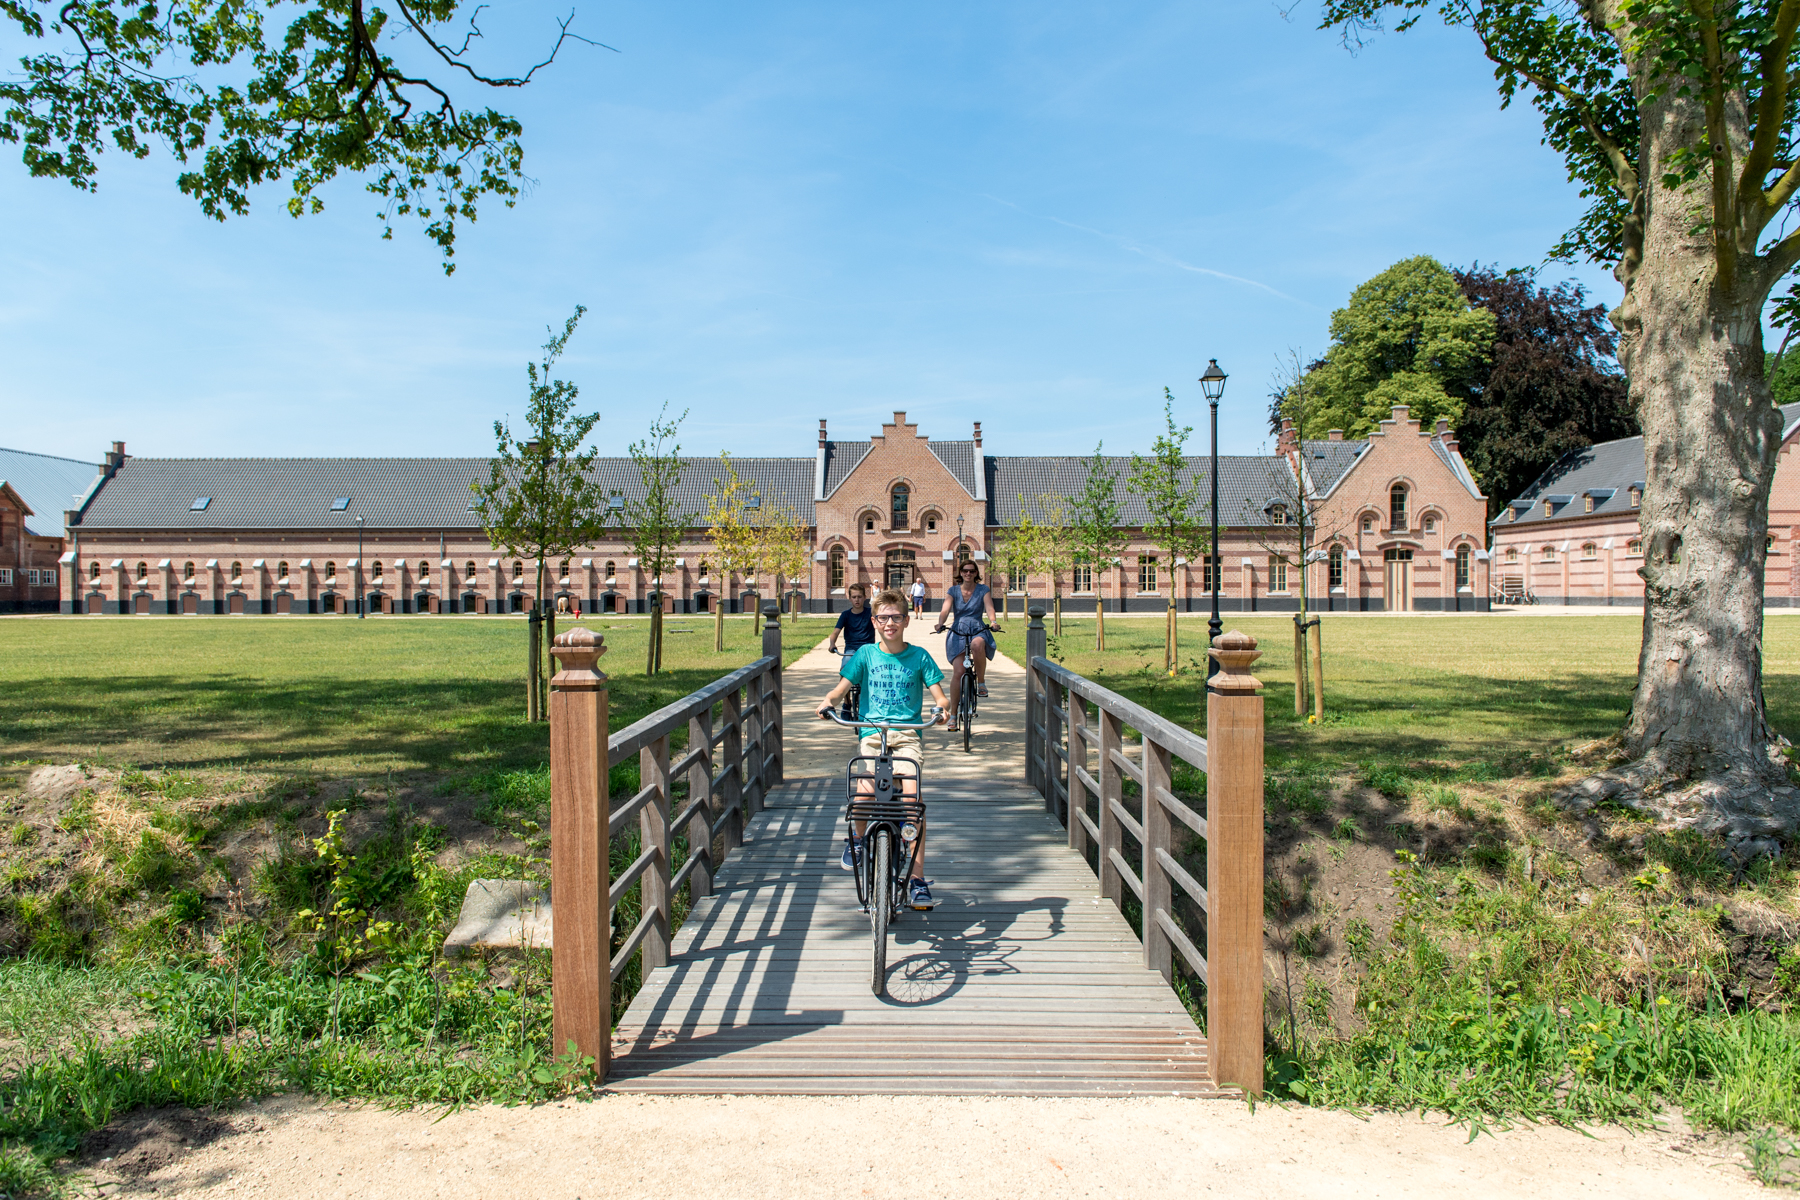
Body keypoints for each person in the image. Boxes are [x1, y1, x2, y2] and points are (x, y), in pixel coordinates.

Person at [815, 588, 949, 909]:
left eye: (897, 617)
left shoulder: (919, 657)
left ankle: (917, 878)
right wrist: (828, 701)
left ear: (906, 620)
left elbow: (938, 693)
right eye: (884, 617)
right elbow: (841, 688)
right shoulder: (865, 656)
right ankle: (859, 840)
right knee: (863, 792)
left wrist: (943, 706)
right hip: (873, 735)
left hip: (907, 735)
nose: (890, 623)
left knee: (913, 800)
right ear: (875, 621)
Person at [933, 561, 999, 731]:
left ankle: (981, 682)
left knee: (978, 644)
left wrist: (993, 621)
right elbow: (946, 609)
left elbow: (989, 606)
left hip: (977, 626)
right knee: (959, 672)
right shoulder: (953, 590)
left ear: (976, 573)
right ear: (960, 573)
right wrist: (940, 623)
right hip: (958, 629)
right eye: (965, 571)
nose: (968, 574)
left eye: (971, 571)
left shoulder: (983, 589)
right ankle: (953, 715)